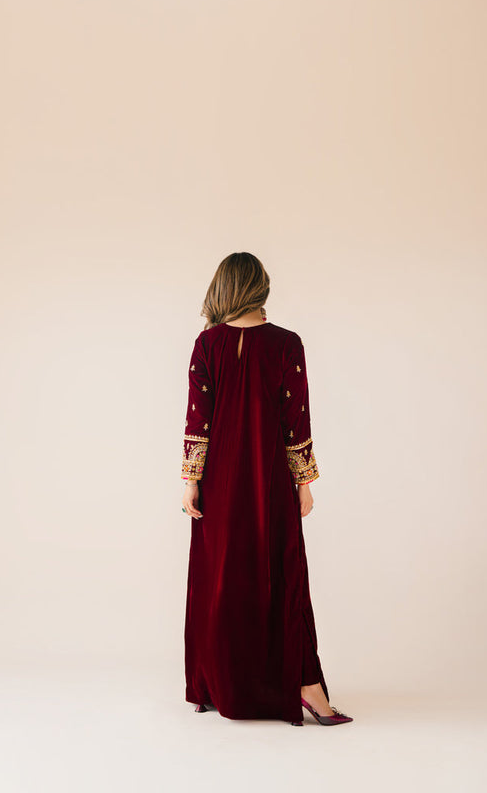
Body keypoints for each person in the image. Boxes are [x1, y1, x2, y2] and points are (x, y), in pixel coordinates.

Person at [180, 252, 352, 727]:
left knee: (221, 578)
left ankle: (218, 684)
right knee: (280, 573)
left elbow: (198, 420)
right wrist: (303, 482)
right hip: (270, 478)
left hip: (218, 482)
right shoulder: (286, 344)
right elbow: (296, 418)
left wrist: (192, 481)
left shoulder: (207, 343)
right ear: (261, 286)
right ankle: (306, 687)